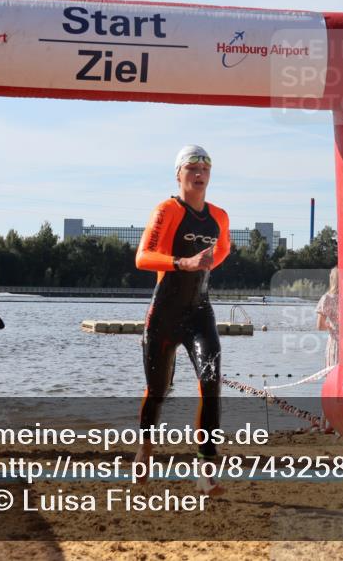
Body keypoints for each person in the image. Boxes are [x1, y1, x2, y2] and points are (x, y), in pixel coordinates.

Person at [134, 145, 231, 496]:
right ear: (179, 174)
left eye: (206, 165)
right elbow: (143, 257)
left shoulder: (219, 216)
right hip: (164, 312)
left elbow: (223, 250)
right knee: (158, 391)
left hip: (199, 312)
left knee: (211, 382)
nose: (200, 171)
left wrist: (203, 267)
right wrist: (184, 263)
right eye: (192, 166)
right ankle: (145, 446)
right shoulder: (168, 209)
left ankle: (205, 469)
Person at [316, 267, 339, 368]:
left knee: (333, 377)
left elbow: (320, 326)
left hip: (336, 344)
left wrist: (330, 326)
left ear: (332, 279)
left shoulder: (327, 298)